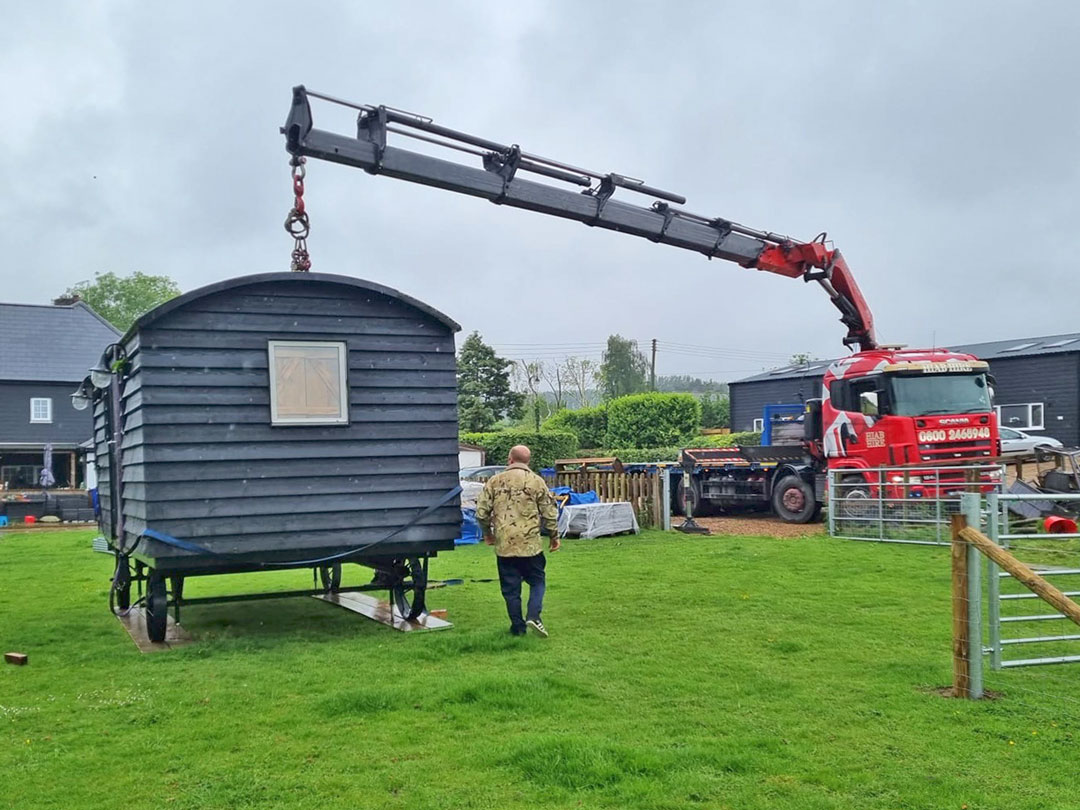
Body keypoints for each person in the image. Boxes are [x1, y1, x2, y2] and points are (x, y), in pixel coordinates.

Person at [475, 444, 560, 637]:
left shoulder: (494, 482)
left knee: (510, 589)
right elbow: (550, 513)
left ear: (510, 459)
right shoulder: (536, 482)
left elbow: (481, 513)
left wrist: (487, 533)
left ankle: (518, 628)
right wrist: (554, 537)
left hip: (505, 546)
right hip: (531, 546)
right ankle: (534, 616)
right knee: (538, 581)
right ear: (528, 461)